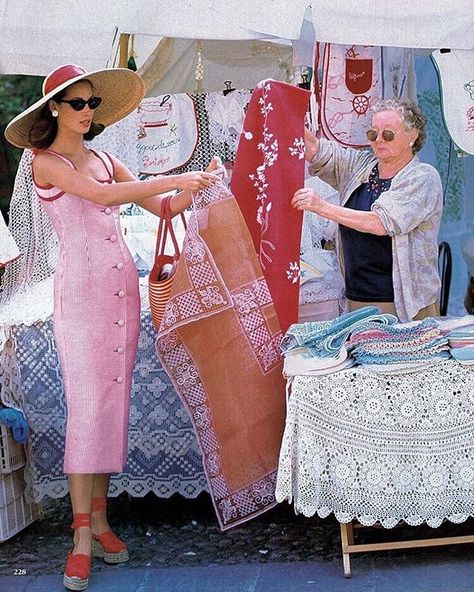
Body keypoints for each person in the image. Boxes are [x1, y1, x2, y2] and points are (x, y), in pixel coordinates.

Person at [4, 63, 219, 591]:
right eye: (76, 104)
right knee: (86, 405)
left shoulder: (105, 156)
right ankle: (80, 535)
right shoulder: (45, 162)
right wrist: (176, 177)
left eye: (91, 104)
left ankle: (99, 521)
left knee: (112, 403)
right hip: (79, 292)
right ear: (53, 107)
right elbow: (99, 197)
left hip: (122, 283)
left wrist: (203, 184)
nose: (86, 112)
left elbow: (162, 206)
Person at [292, 97, 443, 323]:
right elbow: (319, 151)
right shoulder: (362, 165)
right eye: (373, 134)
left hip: (404, 304)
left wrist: (321, 207)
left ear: (413, 136)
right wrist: (288, 118)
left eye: (388, 134)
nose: (379, 139)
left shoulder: (423, 177)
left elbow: (380, 223)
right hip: (358, 297)